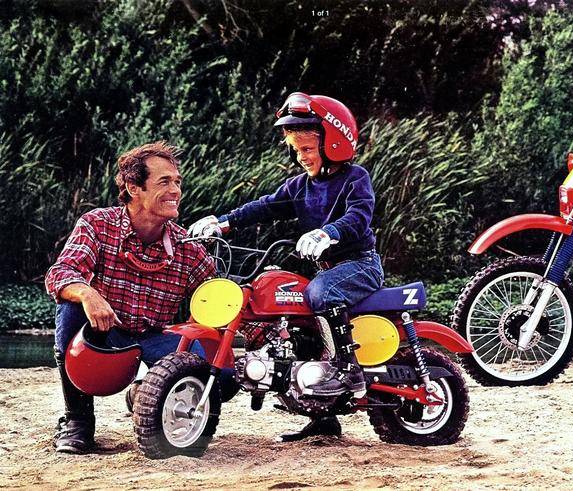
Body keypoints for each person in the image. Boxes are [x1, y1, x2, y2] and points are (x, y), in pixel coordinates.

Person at [188, 92, 384, 442]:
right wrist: (223, 222)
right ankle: (321, 414)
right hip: (327, 269)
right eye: (296, 150)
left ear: (333, 143)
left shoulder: (355, 178)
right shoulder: (299, 186)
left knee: (320, 293)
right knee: (296, 317)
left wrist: (329, 232)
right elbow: (264, 207)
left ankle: (348, 370)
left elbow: (359, 216)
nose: (301, 157)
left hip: (360, 264)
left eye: (307, 149)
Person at [45, 141, 233, 454]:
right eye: (164, 182)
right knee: (71, 307)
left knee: (224, 379)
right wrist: (88, 293)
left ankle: (144, 391)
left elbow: (219, 299)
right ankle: (78, 421)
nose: (175, 190)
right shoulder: (97, 224)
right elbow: (60, 273)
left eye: (177, 182)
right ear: (134, 188)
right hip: (107, 332)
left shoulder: (188, 246)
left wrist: (266, 330)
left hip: (157, 337)